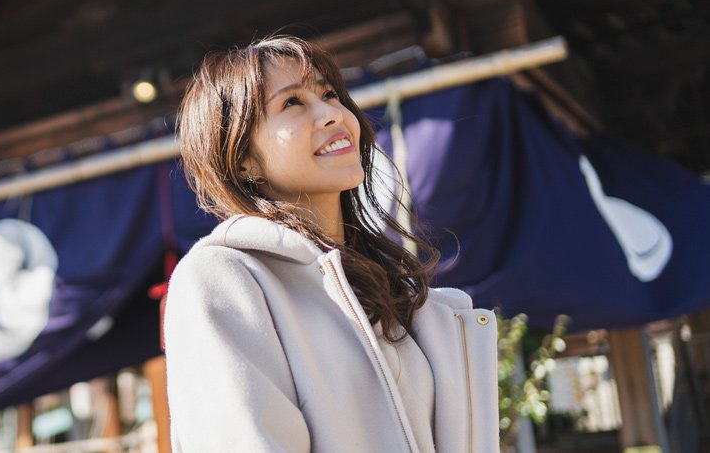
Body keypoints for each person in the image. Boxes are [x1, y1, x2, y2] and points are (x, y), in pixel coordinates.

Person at [164, 35, 499, 453]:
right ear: (242, 158)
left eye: (328, 93)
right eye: (292, 103)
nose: (331, 114)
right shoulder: (222, 277)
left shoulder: (389, 290)